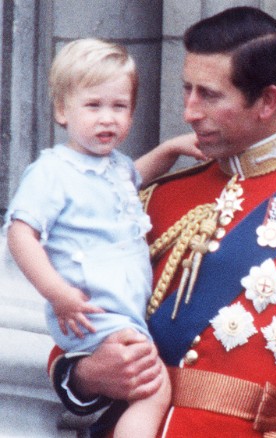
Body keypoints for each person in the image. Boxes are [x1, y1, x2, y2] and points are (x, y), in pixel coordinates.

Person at [47, 7, 276, 438]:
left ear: (266, 101)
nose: (189, 111)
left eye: (208, 95)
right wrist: (91, 373)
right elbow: (75, 329)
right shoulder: (159, 198)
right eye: (186, 89)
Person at [4, 39, 204, 438]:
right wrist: (57, 293)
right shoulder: (53, 170)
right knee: (153, 389)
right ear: (62, 110)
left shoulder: (115, 167)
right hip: (91, 310)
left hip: (119, 311)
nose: (107, 119)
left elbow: (139, 174)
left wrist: (171, 148)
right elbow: (20, 232)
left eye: (120, 106)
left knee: (142, 388)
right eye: (93, 106)